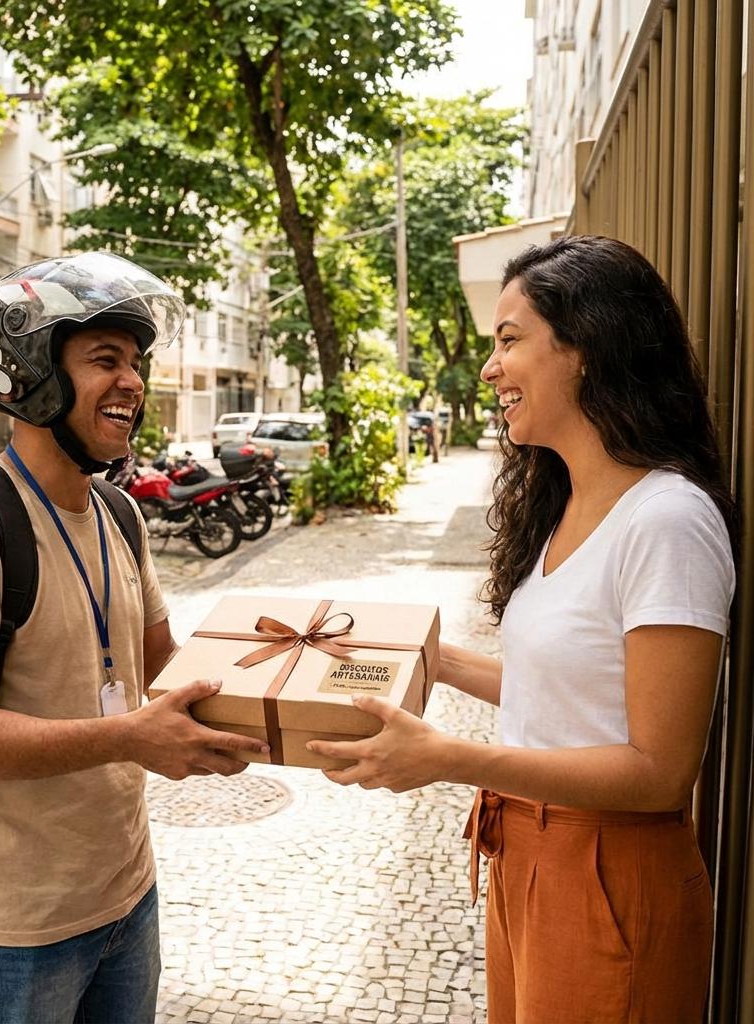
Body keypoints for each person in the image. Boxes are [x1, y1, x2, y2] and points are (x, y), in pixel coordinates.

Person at [307, 235, 736, 1023]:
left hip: (609, 872)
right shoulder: (568, 505)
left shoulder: (668, 521)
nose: (488, 368)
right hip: (529, 856)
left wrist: (450, 758)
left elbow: (660, 771)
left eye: (509, 340)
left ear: (588, 348)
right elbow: (571, 694)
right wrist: (429, 659)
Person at [0, 252, 269, 1024]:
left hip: (128, 893)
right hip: (15, 928)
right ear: (30, 375)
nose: (133, 381)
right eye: (106, 359)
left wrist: (290, 684)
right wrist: (129, 736)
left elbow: (163, 667)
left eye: (136, 362)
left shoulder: (119, 514)